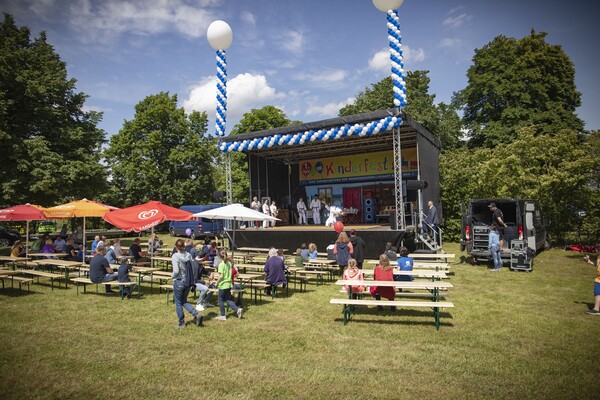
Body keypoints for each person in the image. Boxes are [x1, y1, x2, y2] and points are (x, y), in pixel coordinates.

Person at [171, 239, 203, 328]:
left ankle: (181, 322)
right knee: (184, 301)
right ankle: (196, 314)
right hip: (187, 281)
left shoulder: (175, 256)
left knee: (178, 302)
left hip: (179, 281)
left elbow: (176, 271)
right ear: (184, 246)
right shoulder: (188, 255)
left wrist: (172, 276)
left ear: (176, 247)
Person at [214, 250, 243, 320]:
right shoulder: (229, 264)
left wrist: (216, 282)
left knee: (220, 300)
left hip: (223, 285)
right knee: (228, 299)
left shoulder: (221, 265)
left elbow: (221, 275)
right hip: (229, 284)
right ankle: (237, 310)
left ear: (219, 256)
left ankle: (222, 315)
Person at [583, 245, 600, 315]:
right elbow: (597, 264)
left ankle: (596, 309)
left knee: (598, 293)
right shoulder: (599, 257)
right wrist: (588, 261)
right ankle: (596, 309)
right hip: (598, 279)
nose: (595, 251)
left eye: (596, 250)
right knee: (597, 293)